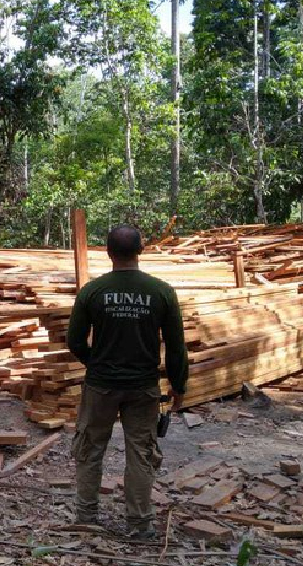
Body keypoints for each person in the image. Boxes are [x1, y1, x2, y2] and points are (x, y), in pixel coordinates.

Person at [66, 224, 189, 540]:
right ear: (141, 250)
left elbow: (75, 340)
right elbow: (176, 347)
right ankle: (138, 524)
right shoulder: (161, 292)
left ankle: (85, 516)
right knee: (141, 453)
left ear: (107, 252)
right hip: (143, 387)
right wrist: (179, 386)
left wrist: (95, 362)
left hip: (99, 386)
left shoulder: (92, 292)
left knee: (90, 448)